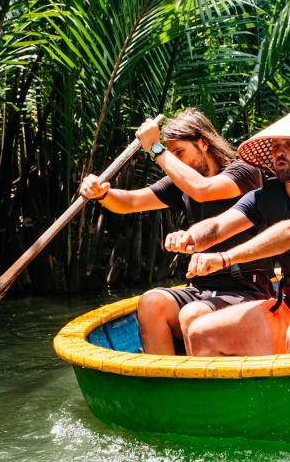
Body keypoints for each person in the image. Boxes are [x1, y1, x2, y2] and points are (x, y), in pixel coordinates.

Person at [78, 109, 271, 355]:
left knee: (194, 315)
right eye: (172, 154)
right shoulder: (182, 182)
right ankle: (163, 388)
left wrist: (157, 149)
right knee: (151, 303)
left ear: (202, 143)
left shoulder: (244, 172)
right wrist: (101, 193)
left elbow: (203, 189)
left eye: (179, 152)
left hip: (247, 292)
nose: (175, 161)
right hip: (203, 289)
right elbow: (130, 203)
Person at [163, 110, 290, 356]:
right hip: (288, 305)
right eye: (275, 146)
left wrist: (225, 258)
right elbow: (217, 227)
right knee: (200, 331)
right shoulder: (265, 195)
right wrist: (190, 237)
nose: (280, 152)